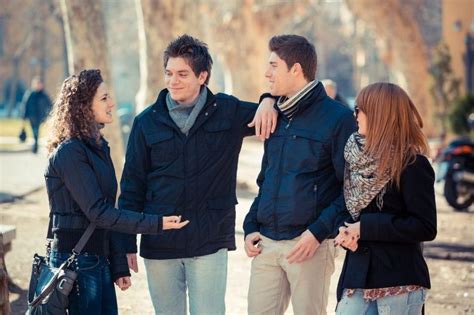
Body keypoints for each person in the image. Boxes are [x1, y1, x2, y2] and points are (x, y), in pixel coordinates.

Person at [118, 34, 277, 315]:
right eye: (168, 73)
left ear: (202, 76)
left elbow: (277, 114)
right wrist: (125, 243)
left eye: (182, 74)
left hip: (209, 240)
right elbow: (132, 186)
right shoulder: (146, 122)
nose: (172, 81)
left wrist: (267, 99)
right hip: (160, 242)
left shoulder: (228, 111)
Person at [44, 69, 189, 315]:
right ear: (83, 107)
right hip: (75, 263)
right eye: (103, 98)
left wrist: (118, 265)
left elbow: (105, 214)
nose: (112, 103)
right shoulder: (70, 153)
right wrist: (157, 224)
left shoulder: (99, 148)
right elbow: (99, 213)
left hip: (97, 260)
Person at [243, 35, 357, 315]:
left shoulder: (338, 119)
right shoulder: (275, 114)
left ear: (295, 69)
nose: (266, 73)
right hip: (267, 243)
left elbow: (351, 189)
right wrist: (250, 224)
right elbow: (266, 179)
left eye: (273, 65)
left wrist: (318, 234)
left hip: (310, 246)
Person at [334, 82, 437, 315]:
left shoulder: (412, 164)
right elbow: (350, 209)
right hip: (357, 275)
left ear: (380, 114)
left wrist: (365, 228)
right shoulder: (355, 158)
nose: (355, 114)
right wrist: (347, 232)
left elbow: (425, 227)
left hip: (399, 279)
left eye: (360, 109)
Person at [22, 77, 52, 153]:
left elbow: (50, 104)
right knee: (35, 131)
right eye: (37, 84)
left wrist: (50, 114)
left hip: (40, 117)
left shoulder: (44, 95)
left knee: (36, 131)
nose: (39, 86)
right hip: (32, 117)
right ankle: (35, 146)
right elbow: (25, 106)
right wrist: (24, 117)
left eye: (40, 84)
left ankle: (35, 146)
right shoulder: (30, 94)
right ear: (34, 85)